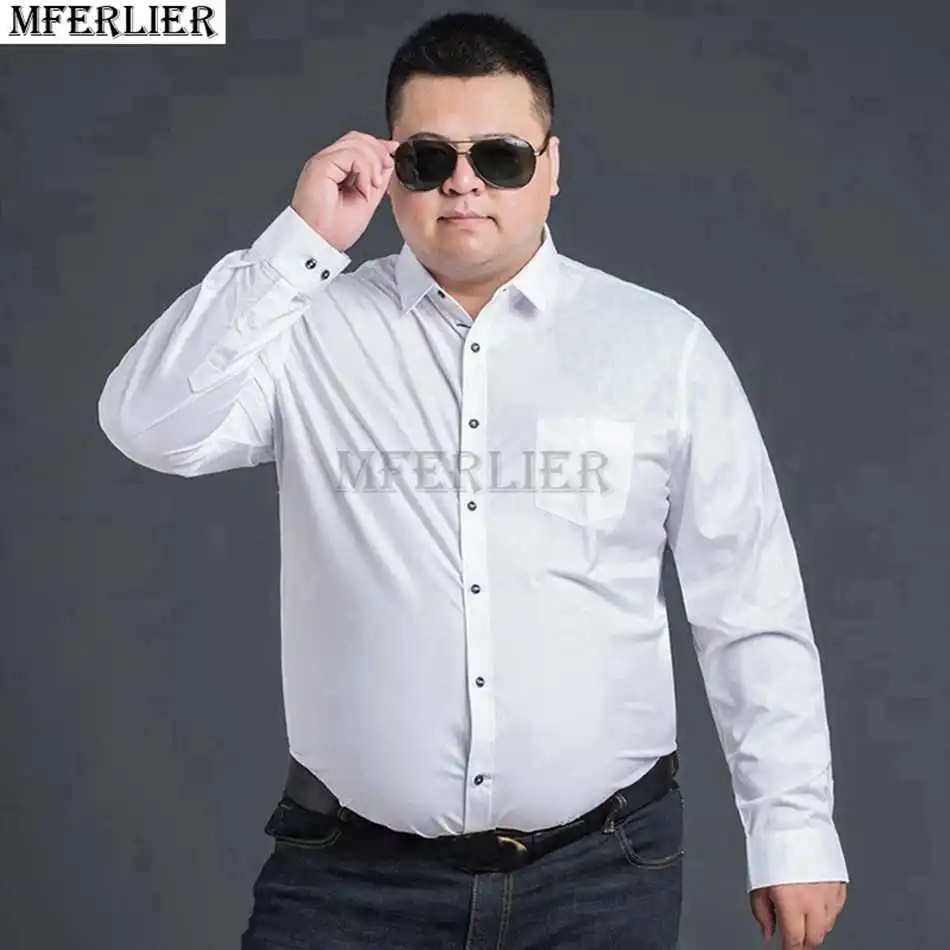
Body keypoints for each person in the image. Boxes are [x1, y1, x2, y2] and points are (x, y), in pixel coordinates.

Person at [98, 11, 849, 950]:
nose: (463, 182)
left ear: (552, 165)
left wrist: (792, 829)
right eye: (428, 158)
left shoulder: (662, 346)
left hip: (601, 873)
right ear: (390, 167)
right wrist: (299, 241)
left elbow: (749, 601)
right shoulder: (306, 330)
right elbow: (147, 426)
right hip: (349, 879)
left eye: (499, 155)